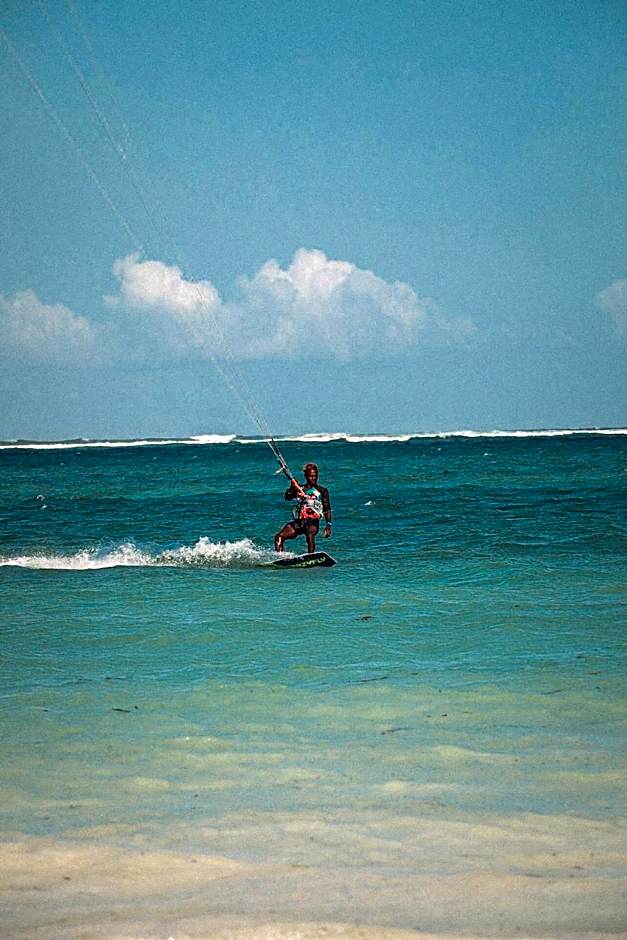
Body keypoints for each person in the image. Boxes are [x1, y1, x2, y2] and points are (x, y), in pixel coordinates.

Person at [274, 462, 332, 554]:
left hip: (313, 522)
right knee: (279, 537)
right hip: (299, 522)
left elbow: (327, 509)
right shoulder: (299, 489)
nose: (313, 478)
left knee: (310, 533)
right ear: (306, 476)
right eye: (310, 476)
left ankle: (310, 556)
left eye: (315, 476)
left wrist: (328, 525)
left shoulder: (322, 491)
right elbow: (287, 497)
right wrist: (292, 488)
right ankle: (280, 558)